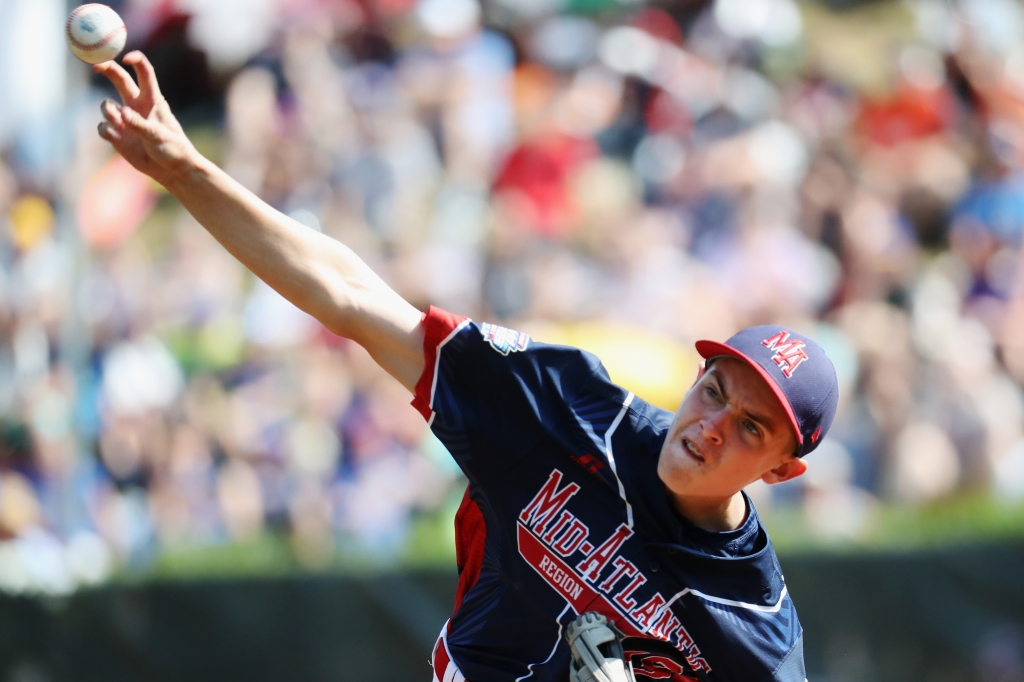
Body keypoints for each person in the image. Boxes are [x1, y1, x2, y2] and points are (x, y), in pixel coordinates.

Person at [94, 52, 837, 682]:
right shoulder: (573, 413)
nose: (710, 427)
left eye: (749, 427)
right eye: (713, 392)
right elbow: (353, 298)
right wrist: (187, 171)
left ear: (778, 470)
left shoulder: (754, 626)